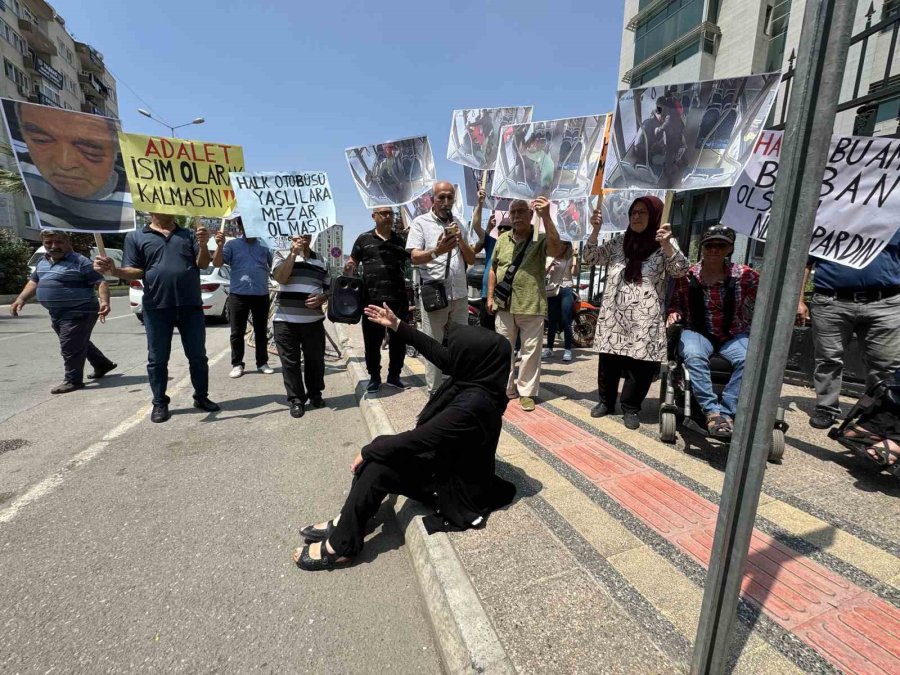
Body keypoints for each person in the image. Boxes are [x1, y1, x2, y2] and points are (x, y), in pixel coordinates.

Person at [292, 303, 516, 571]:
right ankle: (347, 521)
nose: (450, 355)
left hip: (451, 488)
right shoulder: (478, 378)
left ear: (473, 360)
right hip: (444, 464)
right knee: (382, 451)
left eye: (458, 352)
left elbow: (419, 440)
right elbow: (438, 354)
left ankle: (341, 547)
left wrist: (367, 450)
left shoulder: (472, 406)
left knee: (377, 462)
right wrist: (397, 324)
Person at [95, 214, 219, 423]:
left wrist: (204, 244)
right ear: (151, 207)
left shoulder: (189, 234)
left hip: (191, 306)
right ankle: (160, 402)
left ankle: (201, 397)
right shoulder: (136, 237)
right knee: (157, 359)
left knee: (198, 356)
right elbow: (136, 271)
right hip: (156, 307)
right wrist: (114, 270)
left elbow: (203, 264)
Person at [583, 197, 688, 429]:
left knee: (639, 364)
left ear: (655, 216)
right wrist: (595, 230)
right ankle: (606, 402)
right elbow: (589, 258)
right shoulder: (619, 242)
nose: (636, 217)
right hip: (614, 315)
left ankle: (631, 408)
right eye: (633, 212)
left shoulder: (664, 244)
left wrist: (668, 245)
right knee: (609, 360)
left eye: (642, 212)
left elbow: (680, 270)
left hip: (644, 318)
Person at [798, 229, 900, 429]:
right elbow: (804, 263)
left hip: (885, 302)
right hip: (831, 301)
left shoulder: (893, 219)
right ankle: (826, 407)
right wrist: (798, 299)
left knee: (886, 365)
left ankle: (875, 415)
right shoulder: (831, 220)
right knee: (828, 359)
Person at [667, 225, 759, 438]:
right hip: (698, 331)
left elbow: (770, 294)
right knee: (693, 355)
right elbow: (675, 303)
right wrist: (674, 313)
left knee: (751, 359)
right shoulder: (687, 275)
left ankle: (727, 411)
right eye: (710, 245)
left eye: (721, 245)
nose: (714, 250)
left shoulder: (745, 275)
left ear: (729, 249)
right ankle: (712, 412)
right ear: (702, 248)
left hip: (732, 333)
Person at [1, 99, 134, 232]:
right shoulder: (23, 169)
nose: (65, 164)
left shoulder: (132, 196)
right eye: (42, 140)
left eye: (89, 147)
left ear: (116, 150)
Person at [10, 230, 116, 393]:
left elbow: (100, 282)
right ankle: (102, 364)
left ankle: (73, 380)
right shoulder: (42, 262)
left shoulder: (81, 262)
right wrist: (21, 299)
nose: (53, 246)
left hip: (80, 311)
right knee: (76, 341)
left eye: (58, 242)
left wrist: (105, 302)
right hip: (57, 313)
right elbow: (34, 282)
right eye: (48, 243)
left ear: (68, 242)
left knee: (69, 345)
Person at [487, 197, 565, 412]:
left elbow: (556, 249)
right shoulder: (502, 239)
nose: (517, 216)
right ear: (509, 216)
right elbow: (494, 269)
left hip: (531, 304)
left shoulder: (539, 236)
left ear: (531, 214)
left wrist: (546, 216)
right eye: (513, 212)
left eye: (522, 211)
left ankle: (527, 392)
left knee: (530, 352)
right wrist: (490, 297)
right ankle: (506, 388)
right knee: (503, 350)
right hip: (504, 304)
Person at [406, 181, 476, 396]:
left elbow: (471, 257)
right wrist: (437, 250)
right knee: (433, 345)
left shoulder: (460, 222)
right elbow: (414, 257)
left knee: (462, 344)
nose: (446, 202)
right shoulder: (420, 222)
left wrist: (460, 239)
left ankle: (460, 386)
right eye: (441, 197)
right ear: (432, 199)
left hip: (460, 295)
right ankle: (435, 392)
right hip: (435, 294)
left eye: (450, 197)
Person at [345, 207, 412, 392]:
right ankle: (374, 377)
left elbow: (415, 259)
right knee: (372, 342)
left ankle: (394, 376)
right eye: (383, 213)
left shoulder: (402, 240)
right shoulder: (363, 239)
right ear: (374, 217)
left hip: (398, 299)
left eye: (390, 213)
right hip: (371, 300)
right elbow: (353, 262)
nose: (388, 216)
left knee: (399, 341)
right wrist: (349, 267)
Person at [271, 234, 329, 418]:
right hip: (285, 321)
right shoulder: (280, 254)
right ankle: (296, 400)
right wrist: (293, 254)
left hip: (313, 321)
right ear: (291, 236)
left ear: (311, 236)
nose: (302, 237)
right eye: (298, 234)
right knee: (290, 363)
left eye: (306, 234)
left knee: (315, 361)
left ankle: (315, 394)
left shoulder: (320, 259)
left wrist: (322, 297)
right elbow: (281, 278)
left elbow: (328, 286)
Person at [212, 216, 275, 379]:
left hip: (261, 293)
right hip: (238, 295)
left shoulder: (265, 245)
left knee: (261, 331)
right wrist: (219, 246)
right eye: (245, 225)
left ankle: (262, 362)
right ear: (240, 227)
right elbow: (218, 263)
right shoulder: (232, 245)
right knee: (236, 332)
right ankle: (237, 364)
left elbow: (274, 266)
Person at [543, 240, 577, 363]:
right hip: (552, 290)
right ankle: (549, 348)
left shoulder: (569, 258)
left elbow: (575, 273)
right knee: (552, 320)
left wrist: (575, 259)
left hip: (566, 288)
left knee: (566, 319)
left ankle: (567, 349)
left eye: (565, 245)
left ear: (567, 247)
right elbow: (543, 273)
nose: (562, 247)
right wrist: (551, 264)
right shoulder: (549, 257)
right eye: (560, 244)